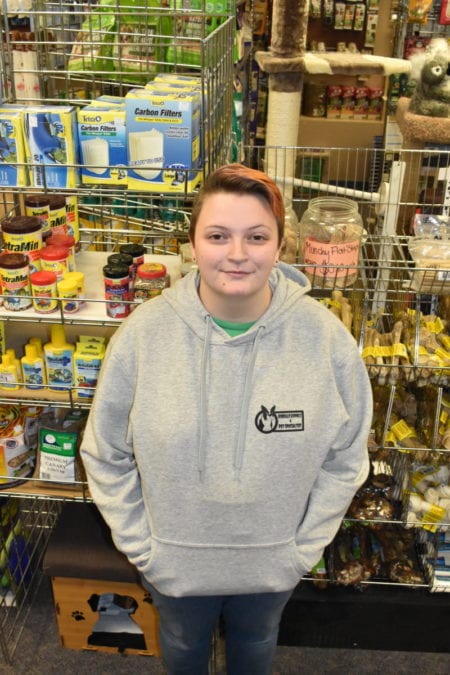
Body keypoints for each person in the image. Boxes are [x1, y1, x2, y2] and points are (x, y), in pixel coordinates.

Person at [80, 163, 373, 675]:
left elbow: (347, 458)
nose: (237, 254)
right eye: (218, 235)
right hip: (173, 566)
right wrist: (144, 548)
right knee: (182, 645)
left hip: (273, 566)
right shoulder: (142, 338)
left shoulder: (327, 341)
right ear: (193, 245)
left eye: (256, 236)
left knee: (257, 643)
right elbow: (105, 454)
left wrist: (301, 550)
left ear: (279, 246)